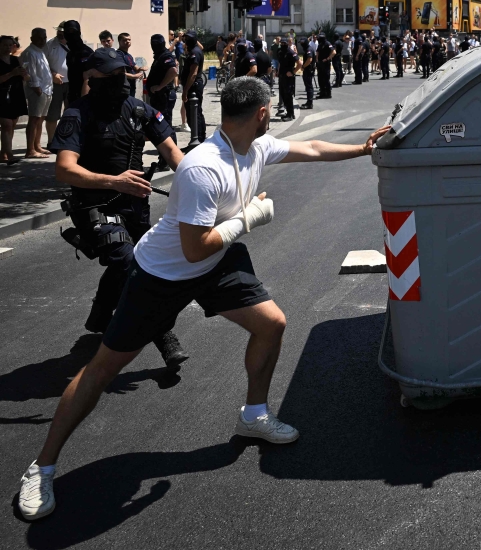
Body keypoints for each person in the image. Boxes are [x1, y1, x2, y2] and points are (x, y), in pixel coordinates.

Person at [16, 76, 391, 522]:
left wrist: (363, 150)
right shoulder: (202, 167)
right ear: (262, 113)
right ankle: (41, 467)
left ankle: (253, 415)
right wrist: (248, 218)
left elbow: (310, 148)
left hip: (214, 265)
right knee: (101, 370)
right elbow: (196, 247)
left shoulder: (254, 147)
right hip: (162, 275)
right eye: (268, 109)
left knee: (271, 323)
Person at [49, 47, 187, 363]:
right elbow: (64, 169)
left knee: (137, 261)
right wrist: (113, 181)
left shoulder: (140, 111)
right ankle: (163, 335)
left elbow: (173, 153)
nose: (121, 82)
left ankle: (100, 315)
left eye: (124, 74)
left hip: (134, 205)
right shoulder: (77, 114)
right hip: (94, 206)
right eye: (112, 76)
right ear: (92, 78)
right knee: (131, 265)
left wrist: (205, 180)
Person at [147, 34, 180, 170]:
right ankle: (165, 159)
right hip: (160, 97)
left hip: (164, 96)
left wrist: (160, 86)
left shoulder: (165, 55)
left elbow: (173, 71)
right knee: (162, 126)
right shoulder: (160, 55)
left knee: (164, 127)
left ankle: (168, 159)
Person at [21, 27, 53, 158]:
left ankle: (37, 145)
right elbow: (30, 73)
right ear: (32, 39)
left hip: (46, 89)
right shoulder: (30, 52)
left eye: (44, 38)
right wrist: (37, 88)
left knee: (40, 119)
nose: (42, 40)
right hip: (37, 90)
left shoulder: (41, 51)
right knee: (34, 119)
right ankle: (30, 150)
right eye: (39, 38)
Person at [0, 35, 28, 164]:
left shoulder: (16, 60)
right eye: (5, 45)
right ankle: (10, 155)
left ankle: (3, 153)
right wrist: (12, 74)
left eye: (10, 45)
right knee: (6, 125)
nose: (8, 48)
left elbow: (26, 77)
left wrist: (24, 74)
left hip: (16, 95)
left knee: (11, 125)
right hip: (2, 96)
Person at [44, 24, 70, 144]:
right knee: (52, 115)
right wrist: (53, 74)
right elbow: (43, 64)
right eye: (59, 32)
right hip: (55, 83)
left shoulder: (74, 44)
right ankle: (51, 141)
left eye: (63, 33)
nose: (60, 35)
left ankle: (67, 140)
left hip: (71, 83)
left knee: (70, 113)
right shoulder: (49, 44)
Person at [181, 30, 206, 149]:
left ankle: (199, 140)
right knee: (194, 114)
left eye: (188, 38)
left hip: (193, 86)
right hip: (193, 86)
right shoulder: (193, 50)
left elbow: (193, 73)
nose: (186, 40)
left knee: (195, 114)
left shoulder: (195, 52)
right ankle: (195, 139)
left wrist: (185, 91)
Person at [63, 20, 94, 104]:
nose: (71, 34)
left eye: (73, 31)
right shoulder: (70, 53)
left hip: (84, 98)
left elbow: (88, 78)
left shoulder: (86, 52)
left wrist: (83, 102)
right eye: (68, 31)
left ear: (79, 33)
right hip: (73, 95)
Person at [276, 39, 299, 121]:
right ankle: (289, 113)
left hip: (288, 78)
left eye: (284, 43)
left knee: (288, 95)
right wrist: (278, 71)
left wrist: (293, 72)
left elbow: (299, 63)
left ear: (287, 44)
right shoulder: (280, 52)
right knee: (283, 95)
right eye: (281, 43)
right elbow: (280, 63)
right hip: (282, 76)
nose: (282, 44)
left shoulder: (291, 52)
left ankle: (290, 114)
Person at [116, 33, 145, 98]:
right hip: (123, 87)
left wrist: (141, 69)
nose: (128, 41)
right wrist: (133, 76)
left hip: (131, 86)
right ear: (119, 42)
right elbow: (119, 73)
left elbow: (135, 67)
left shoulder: (129, 56)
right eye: (125, 40)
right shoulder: (118, 54)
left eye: (129, 40)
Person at [298, 37, 315, 109]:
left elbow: (310, 59)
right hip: (308, 70)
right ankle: (309, 102)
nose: (301, 45)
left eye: (302, 43)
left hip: (308, 70)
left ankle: (309, 103)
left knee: (309, 87)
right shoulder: (307, 48)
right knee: (308, 86)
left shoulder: (308, 49)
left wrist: (303, 66)